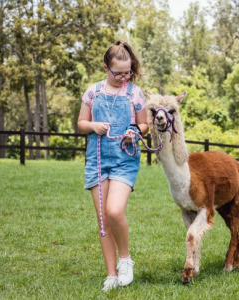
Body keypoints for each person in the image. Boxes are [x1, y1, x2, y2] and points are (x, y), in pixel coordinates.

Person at [77, 41, 148, 291]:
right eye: (117, 73)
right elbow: (81, 123)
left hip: (124, 160)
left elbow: (144, 124)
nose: (123, 77)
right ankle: (111, 275)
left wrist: (133, 131)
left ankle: (125, 259)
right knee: (103, 220)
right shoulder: (92, 92)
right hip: (97, 160)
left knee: (115, 211)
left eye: (127, 72)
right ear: (106, 68)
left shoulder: (135, 93)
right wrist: (93, 126)